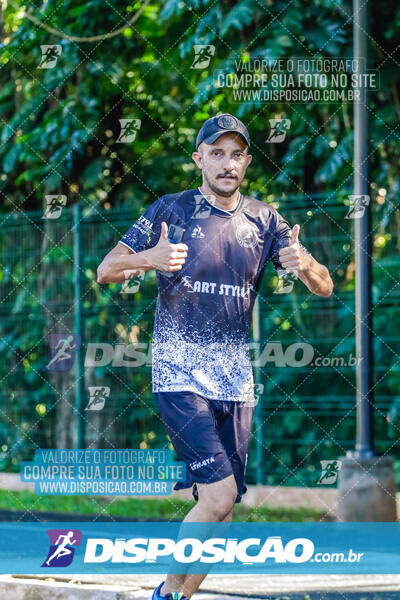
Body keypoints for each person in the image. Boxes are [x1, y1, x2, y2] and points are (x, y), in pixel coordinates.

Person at [97, 113, 334, 600]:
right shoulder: (171, 210)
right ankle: (165, 592)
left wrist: (305, 263)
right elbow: (106, 269)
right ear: (199, 158)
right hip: (178, 374)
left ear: (247, 160)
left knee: (222, 510)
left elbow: (325, 286)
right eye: (217, 153)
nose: (228, 164)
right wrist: (151, 259)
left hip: (235, 382)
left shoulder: (266, 220)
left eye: (237, 154)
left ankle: (173, 596)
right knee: (220, 495)